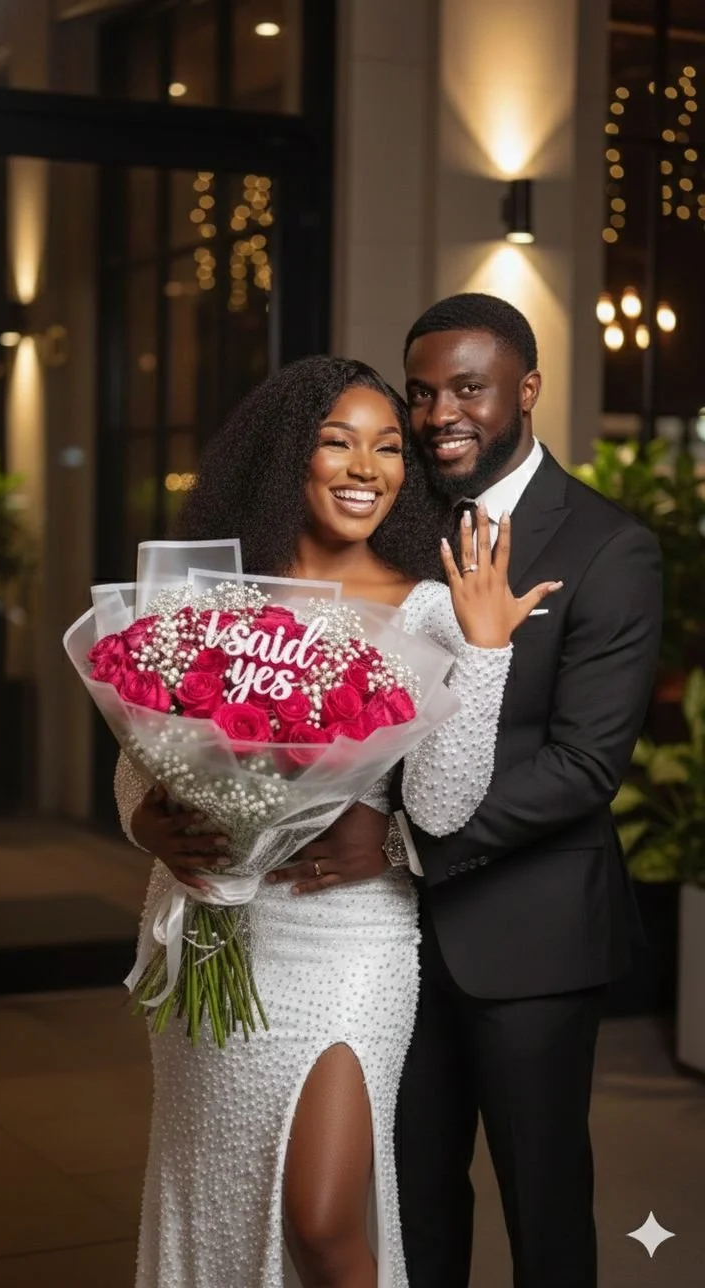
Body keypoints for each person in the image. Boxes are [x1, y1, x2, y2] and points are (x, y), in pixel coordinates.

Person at [113, 354, 559, 1288]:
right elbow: (142, 761)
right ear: (289, 458)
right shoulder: (216, 596)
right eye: (338, 442)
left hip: (354, 937)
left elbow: (440, 806)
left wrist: (483, 654)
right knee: (220, 1187)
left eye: (389, 448)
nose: (368, 468)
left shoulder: (435, 607)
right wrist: (149, 826)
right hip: (217, 924)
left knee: (321, 1220)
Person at [286, 296, 663, 1288]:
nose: (436, 412)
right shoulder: (400, 527)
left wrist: (402, 841)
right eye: (420, 392)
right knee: (409, 1201)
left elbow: (583, 765)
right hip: (391, 940)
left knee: (543, 1207)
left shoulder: (604, 548)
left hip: (530, 938)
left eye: (466, 388)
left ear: (526, 390)